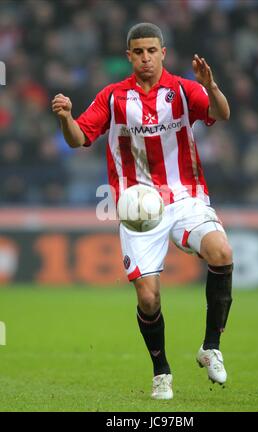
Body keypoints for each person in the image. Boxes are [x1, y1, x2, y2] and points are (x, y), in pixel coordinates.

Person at [52, 22, 233, 400]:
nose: (146, 57)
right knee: (149, 299)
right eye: (138, 52)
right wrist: (66, 117)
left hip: (185, 195)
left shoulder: (184, 89)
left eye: (152, 50)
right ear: (129, 56)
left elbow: (223, 114)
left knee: (222, 251)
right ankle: (161, 371)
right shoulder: (113, 97)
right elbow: (79, 138)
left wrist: (211, 85)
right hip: (138, 207)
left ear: (163, 52)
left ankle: (210, 347)